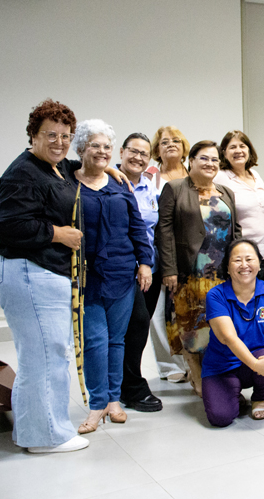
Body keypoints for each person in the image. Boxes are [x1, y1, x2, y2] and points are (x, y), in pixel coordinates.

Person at [0, 99, 90, 453]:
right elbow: (6, 222)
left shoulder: (54, 167)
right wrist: (59, 234)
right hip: (26, 271)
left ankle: (37, 429)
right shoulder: (23, 172)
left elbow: (72, 169)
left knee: (46, 352)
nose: (60, 142)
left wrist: (109, 168)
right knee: (44, 355)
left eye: (66, 136)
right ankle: (45, 436)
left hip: (41, 272)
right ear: (33, 135)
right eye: (51, 135)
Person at [72, 120, 153, 434]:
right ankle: (95, 405)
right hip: (87, 277)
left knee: (117, 341)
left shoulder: (122, 186)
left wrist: (144, 264)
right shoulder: (69, 182)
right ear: (82, 148)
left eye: (107, 146)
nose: (102, 152)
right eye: (95, 145)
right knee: (95, 341)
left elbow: (137, 229)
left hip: (122, 275)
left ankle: (114, 400)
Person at [156, 140, 242, 398]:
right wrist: (169, 269)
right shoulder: (175, 189)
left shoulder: (226, 192)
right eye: (204, 158)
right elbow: (164, 231)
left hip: (221, 275)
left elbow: (236, 232)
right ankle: (198, 378)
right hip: (189, 272)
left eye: (215, 160)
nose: (210, 164)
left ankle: (219, 375)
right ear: (190, 161)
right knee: (191, 328)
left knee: (219, 327)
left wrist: (239, 265)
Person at [202, 240, 264, 426]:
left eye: (249, 259)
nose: (244, 265)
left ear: (258, 264)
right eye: (237, 260)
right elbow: (228, 338)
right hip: (222, 366)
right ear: (227, 266)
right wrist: (256, 365)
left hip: (258, 359)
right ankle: (234, 394)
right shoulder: (216, 295)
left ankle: (259, 397)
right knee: (220, 417)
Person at [116, 133, 163, 413]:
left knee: (139, 330)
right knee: (134, 325)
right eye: (133, 151)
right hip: (125, 270)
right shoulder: (111, 183)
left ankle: (123, 382)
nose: (138, 158)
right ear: (121, 152)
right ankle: (131, 386)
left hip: (151, 269)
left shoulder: (150, 188)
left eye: (144, 154)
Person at [145, 126, 191, 383]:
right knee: (161, 311)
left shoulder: (192, 174)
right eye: (164, 142)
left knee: (188, 309)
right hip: (160, 252)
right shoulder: (150, 176)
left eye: (176, 141)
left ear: (185, 147)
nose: (171, 144)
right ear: (157, 150)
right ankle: (168, 364)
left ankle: (191, 359)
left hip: (190, 252)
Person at [214, 131, 264, 282]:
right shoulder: (221, 177)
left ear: (249, 150)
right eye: (232, 147)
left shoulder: (255, 175)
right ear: (224, 153)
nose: (238, 151)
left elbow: (262, 211)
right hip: (241, 258)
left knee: (260, 301)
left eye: (242, 146)